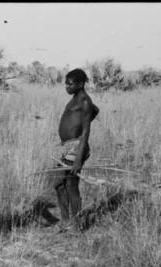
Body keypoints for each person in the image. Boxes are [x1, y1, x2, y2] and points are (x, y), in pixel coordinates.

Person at [54, 68, 99, 231]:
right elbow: (96, 110)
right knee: (59, 184)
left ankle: (77, 225)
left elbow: (86, 131)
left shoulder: (85, 101)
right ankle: (66, 221)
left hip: (77, 147)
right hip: (67, 147)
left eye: (70, 84)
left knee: (70, 185)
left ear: (80, 84)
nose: (66, 86)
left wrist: (79, 158)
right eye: (66, 83)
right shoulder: (76, 99)